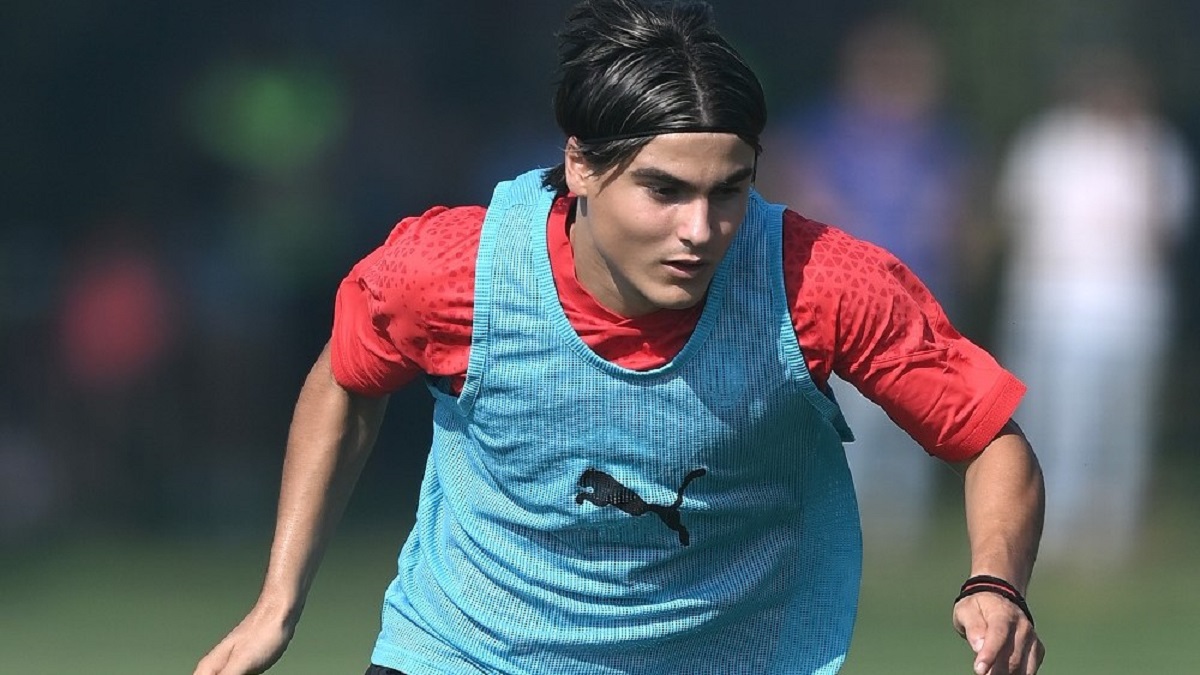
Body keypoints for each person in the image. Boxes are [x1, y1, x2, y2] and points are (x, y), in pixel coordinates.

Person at [194, 1, 1045, 674]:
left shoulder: (819, 282)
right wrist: (279, 600)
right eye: (664, 190)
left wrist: (996, 582)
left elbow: (990, 440)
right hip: (469, 650)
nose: (701, 230)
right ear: (580, 166)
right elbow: (346, 383)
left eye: (730, 191)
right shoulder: (451, 273)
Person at [763, 12, 978, 553]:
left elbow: (958, 210)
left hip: (917, 300)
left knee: (912, 421)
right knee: (849, 422)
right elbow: (794, 186)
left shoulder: (937, 141)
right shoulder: (827, 129)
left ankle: (895, 534)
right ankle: (841, 525)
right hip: (843, 303)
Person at [994, 47, 1193, 573]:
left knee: (1122, 425)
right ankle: (1049, 524)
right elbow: (1017, 219)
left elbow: (1165, 230)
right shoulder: (1048, 143)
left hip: (1132, 312)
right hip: (1054, 308)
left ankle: (1111, 529)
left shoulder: (1157, 148)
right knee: (1057, 423)